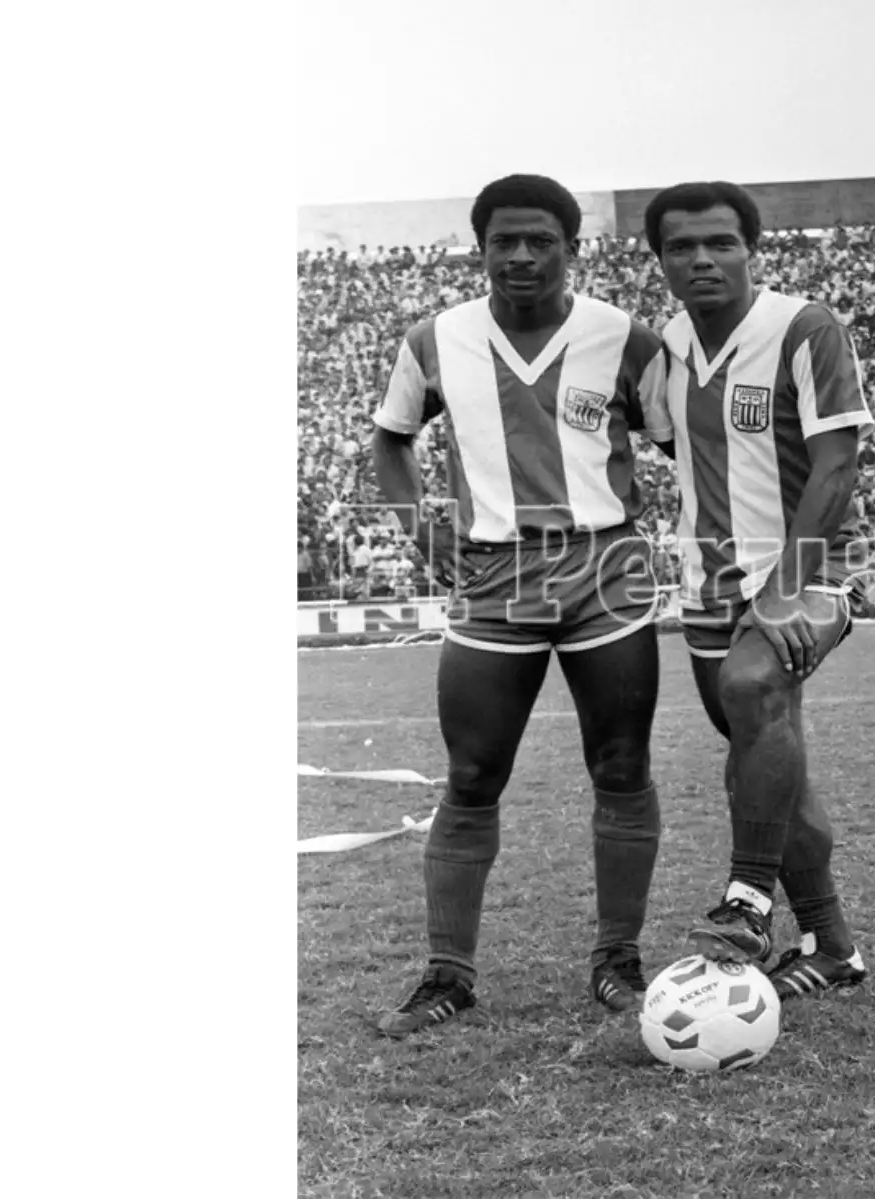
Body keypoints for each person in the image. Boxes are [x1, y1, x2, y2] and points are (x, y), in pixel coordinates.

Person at [369, 174, 674, 1037]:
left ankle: (617, 959)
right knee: (472, 775)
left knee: (621, 765)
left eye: (541, 239)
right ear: (481, 248)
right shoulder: (435, 339)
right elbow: (391, 439)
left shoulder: (625, 338)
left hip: (604, 570)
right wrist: (418, 528)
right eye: (504, 240)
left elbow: (683, 445)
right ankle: (448, 973)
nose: (521, 255)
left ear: (571, 248)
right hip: (494, 579)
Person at [638, 180, 871, 1001]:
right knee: (766, 762)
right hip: (710, 582)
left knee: (750, 686)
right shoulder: (667, 346)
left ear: (751, 249)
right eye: (681, 247)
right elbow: (682, 451)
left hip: (808, 571)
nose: (701, 259)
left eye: (720, 243)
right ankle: (833, 946)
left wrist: (785, 587)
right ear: (660, 260)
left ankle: (746, 900)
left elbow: (838, 461)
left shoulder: (805, 328)